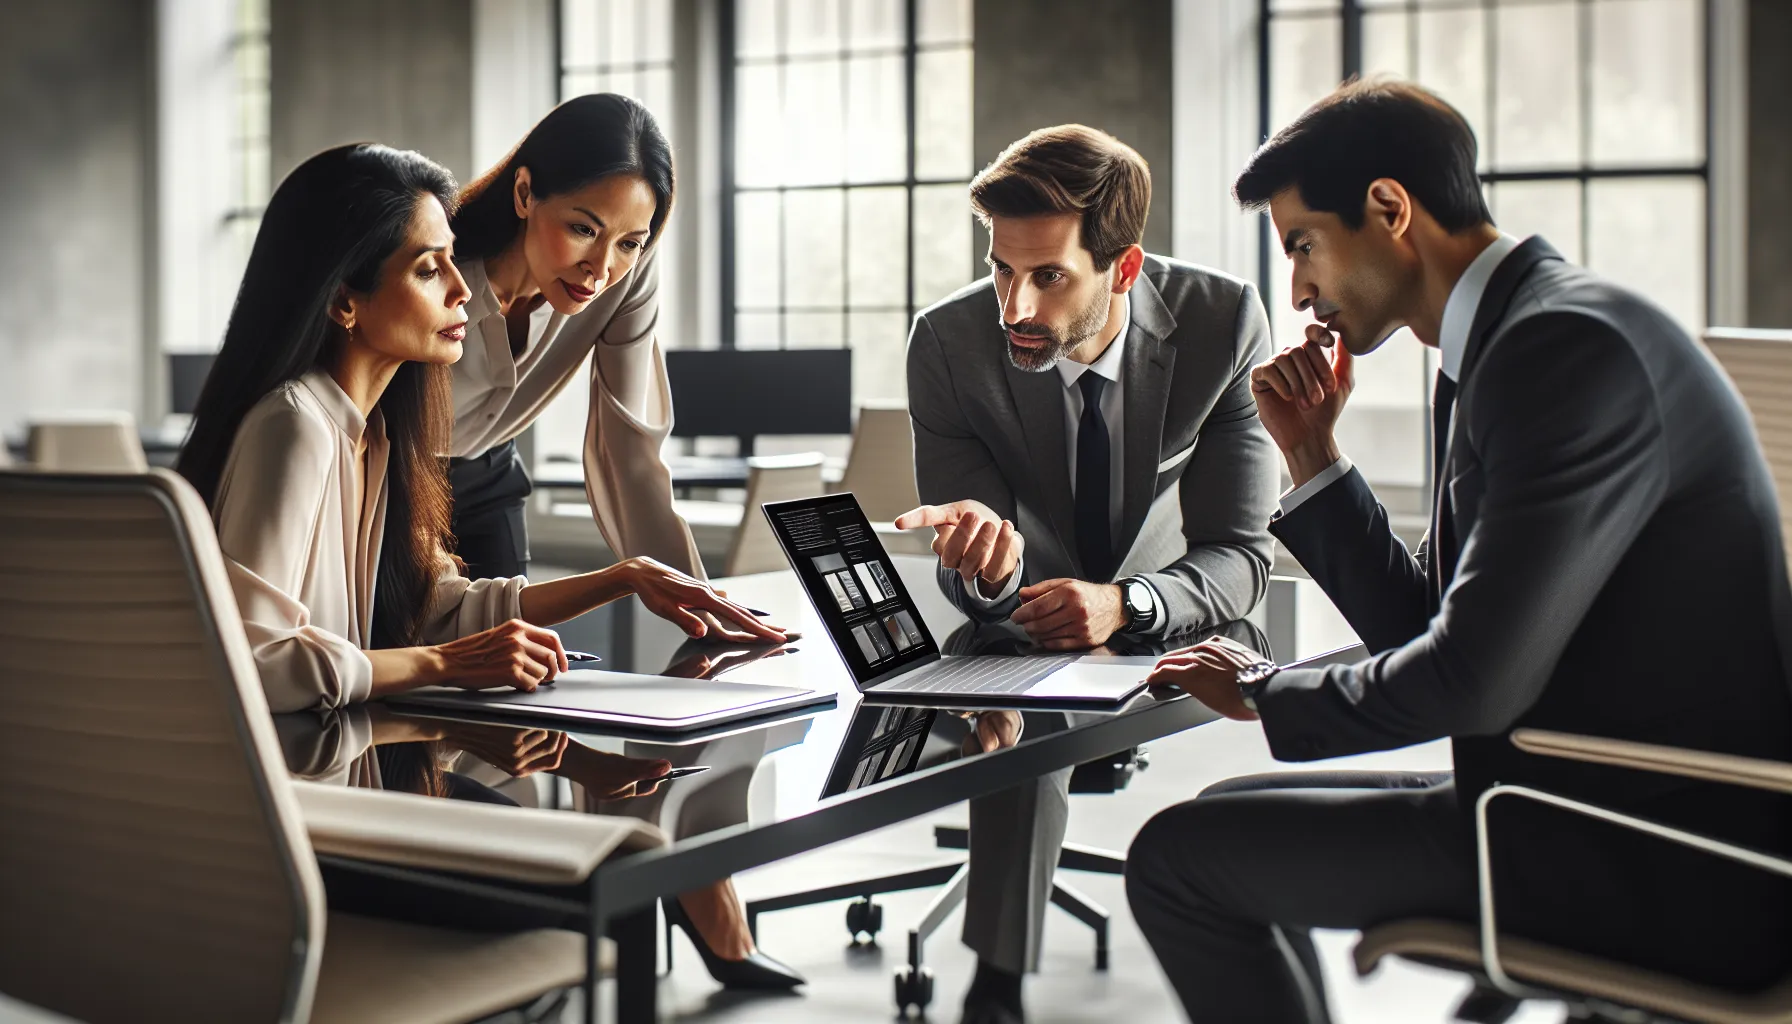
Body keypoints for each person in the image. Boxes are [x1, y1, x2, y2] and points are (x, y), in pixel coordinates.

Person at [1125, 78, 1792, 1022]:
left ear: (1390, 208)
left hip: (1658, 850)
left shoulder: (1561, 349)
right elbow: (1432, 628)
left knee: (1176, 861)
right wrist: (1313, 457)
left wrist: (1266, 691)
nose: (1301, 289)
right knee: (1214, 821)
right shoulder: (1507, 344)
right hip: (1576, 800)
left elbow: (1472, 681)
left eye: (1304, 245)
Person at [175, 142, 802, 989]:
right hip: (301, 824)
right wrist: (441, 664)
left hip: (355, 789)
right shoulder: (294, 426)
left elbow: (437, 603)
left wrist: (624, 577)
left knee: (608, 868)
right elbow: (248, 662)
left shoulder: (377, 435)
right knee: (599, 894)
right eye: (432, 269)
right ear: (345, 302)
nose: (464, 290)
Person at [893, 125, 1279, 1024]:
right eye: (1000, 270)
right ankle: (997, 988)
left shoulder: (1224, 326)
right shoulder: (949, 346)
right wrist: (985, 571)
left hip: (1163, 622)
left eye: (1049, 276)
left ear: (1125, 266)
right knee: (1015, 722)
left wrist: (1127, 604)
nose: (1014, 306)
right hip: (1017, 625)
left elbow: (1240, 553)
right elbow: (969, 560)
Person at [443, 93, 780, 642]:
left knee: (513, 673)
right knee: (411, 661)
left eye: (629, 243)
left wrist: (699, 600)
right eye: (583, 229)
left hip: (488, 476)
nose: (600, 269)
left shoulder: (628, 278)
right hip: (389, 478)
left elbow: (629, 451)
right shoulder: (437, 272)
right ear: (525, 193)